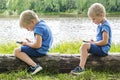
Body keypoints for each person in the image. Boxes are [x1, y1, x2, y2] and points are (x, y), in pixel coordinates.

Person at [70, 3, 112, 75]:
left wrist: (94, 43)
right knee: (85, 46)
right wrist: (94, 41)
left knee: (84, 46)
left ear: (101, 15)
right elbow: (101, 40)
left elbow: (105, 42)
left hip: (103, 50)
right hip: (100, 47)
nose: (93, 21)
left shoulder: (105, 26)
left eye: (94, 19)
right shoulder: (101, 24)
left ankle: (81, 68)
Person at [14, 10, 53, 75]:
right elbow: (41, 41)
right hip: (44, 49)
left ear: (32, 21)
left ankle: (35, 66)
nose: (28, 30)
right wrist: (31, 42)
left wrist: (26, 43)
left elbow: (38, 45)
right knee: (23, 47)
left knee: (17, 51)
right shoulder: (42, 24)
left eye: (27, 28)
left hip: (40, 50)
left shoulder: (38, 28)